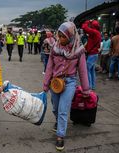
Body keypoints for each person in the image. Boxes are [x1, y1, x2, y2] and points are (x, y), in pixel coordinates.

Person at [43, 22, 90, 151]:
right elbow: (49, 68)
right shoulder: (54, 48)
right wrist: (45, 84)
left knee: (63, 109)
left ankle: (60, 136)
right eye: (59, 36)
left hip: (69, 82)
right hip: (55, 82)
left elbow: (83, 70)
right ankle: (58, 122)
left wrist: (86, 89)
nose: (61, 39)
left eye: (63, 36)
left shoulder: (79, 51)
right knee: (56, 108)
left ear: (70, 35)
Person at [82, 20, 101, 90]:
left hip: (92, 54)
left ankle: (89, 86)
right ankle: (93, 86)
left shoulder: (94, 32)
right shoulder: (98, 33)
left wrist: (87, 21)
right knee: (92, 71)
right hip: (94, 54)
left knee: (87, 70)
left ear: (93, 26)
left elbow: (84, 27)